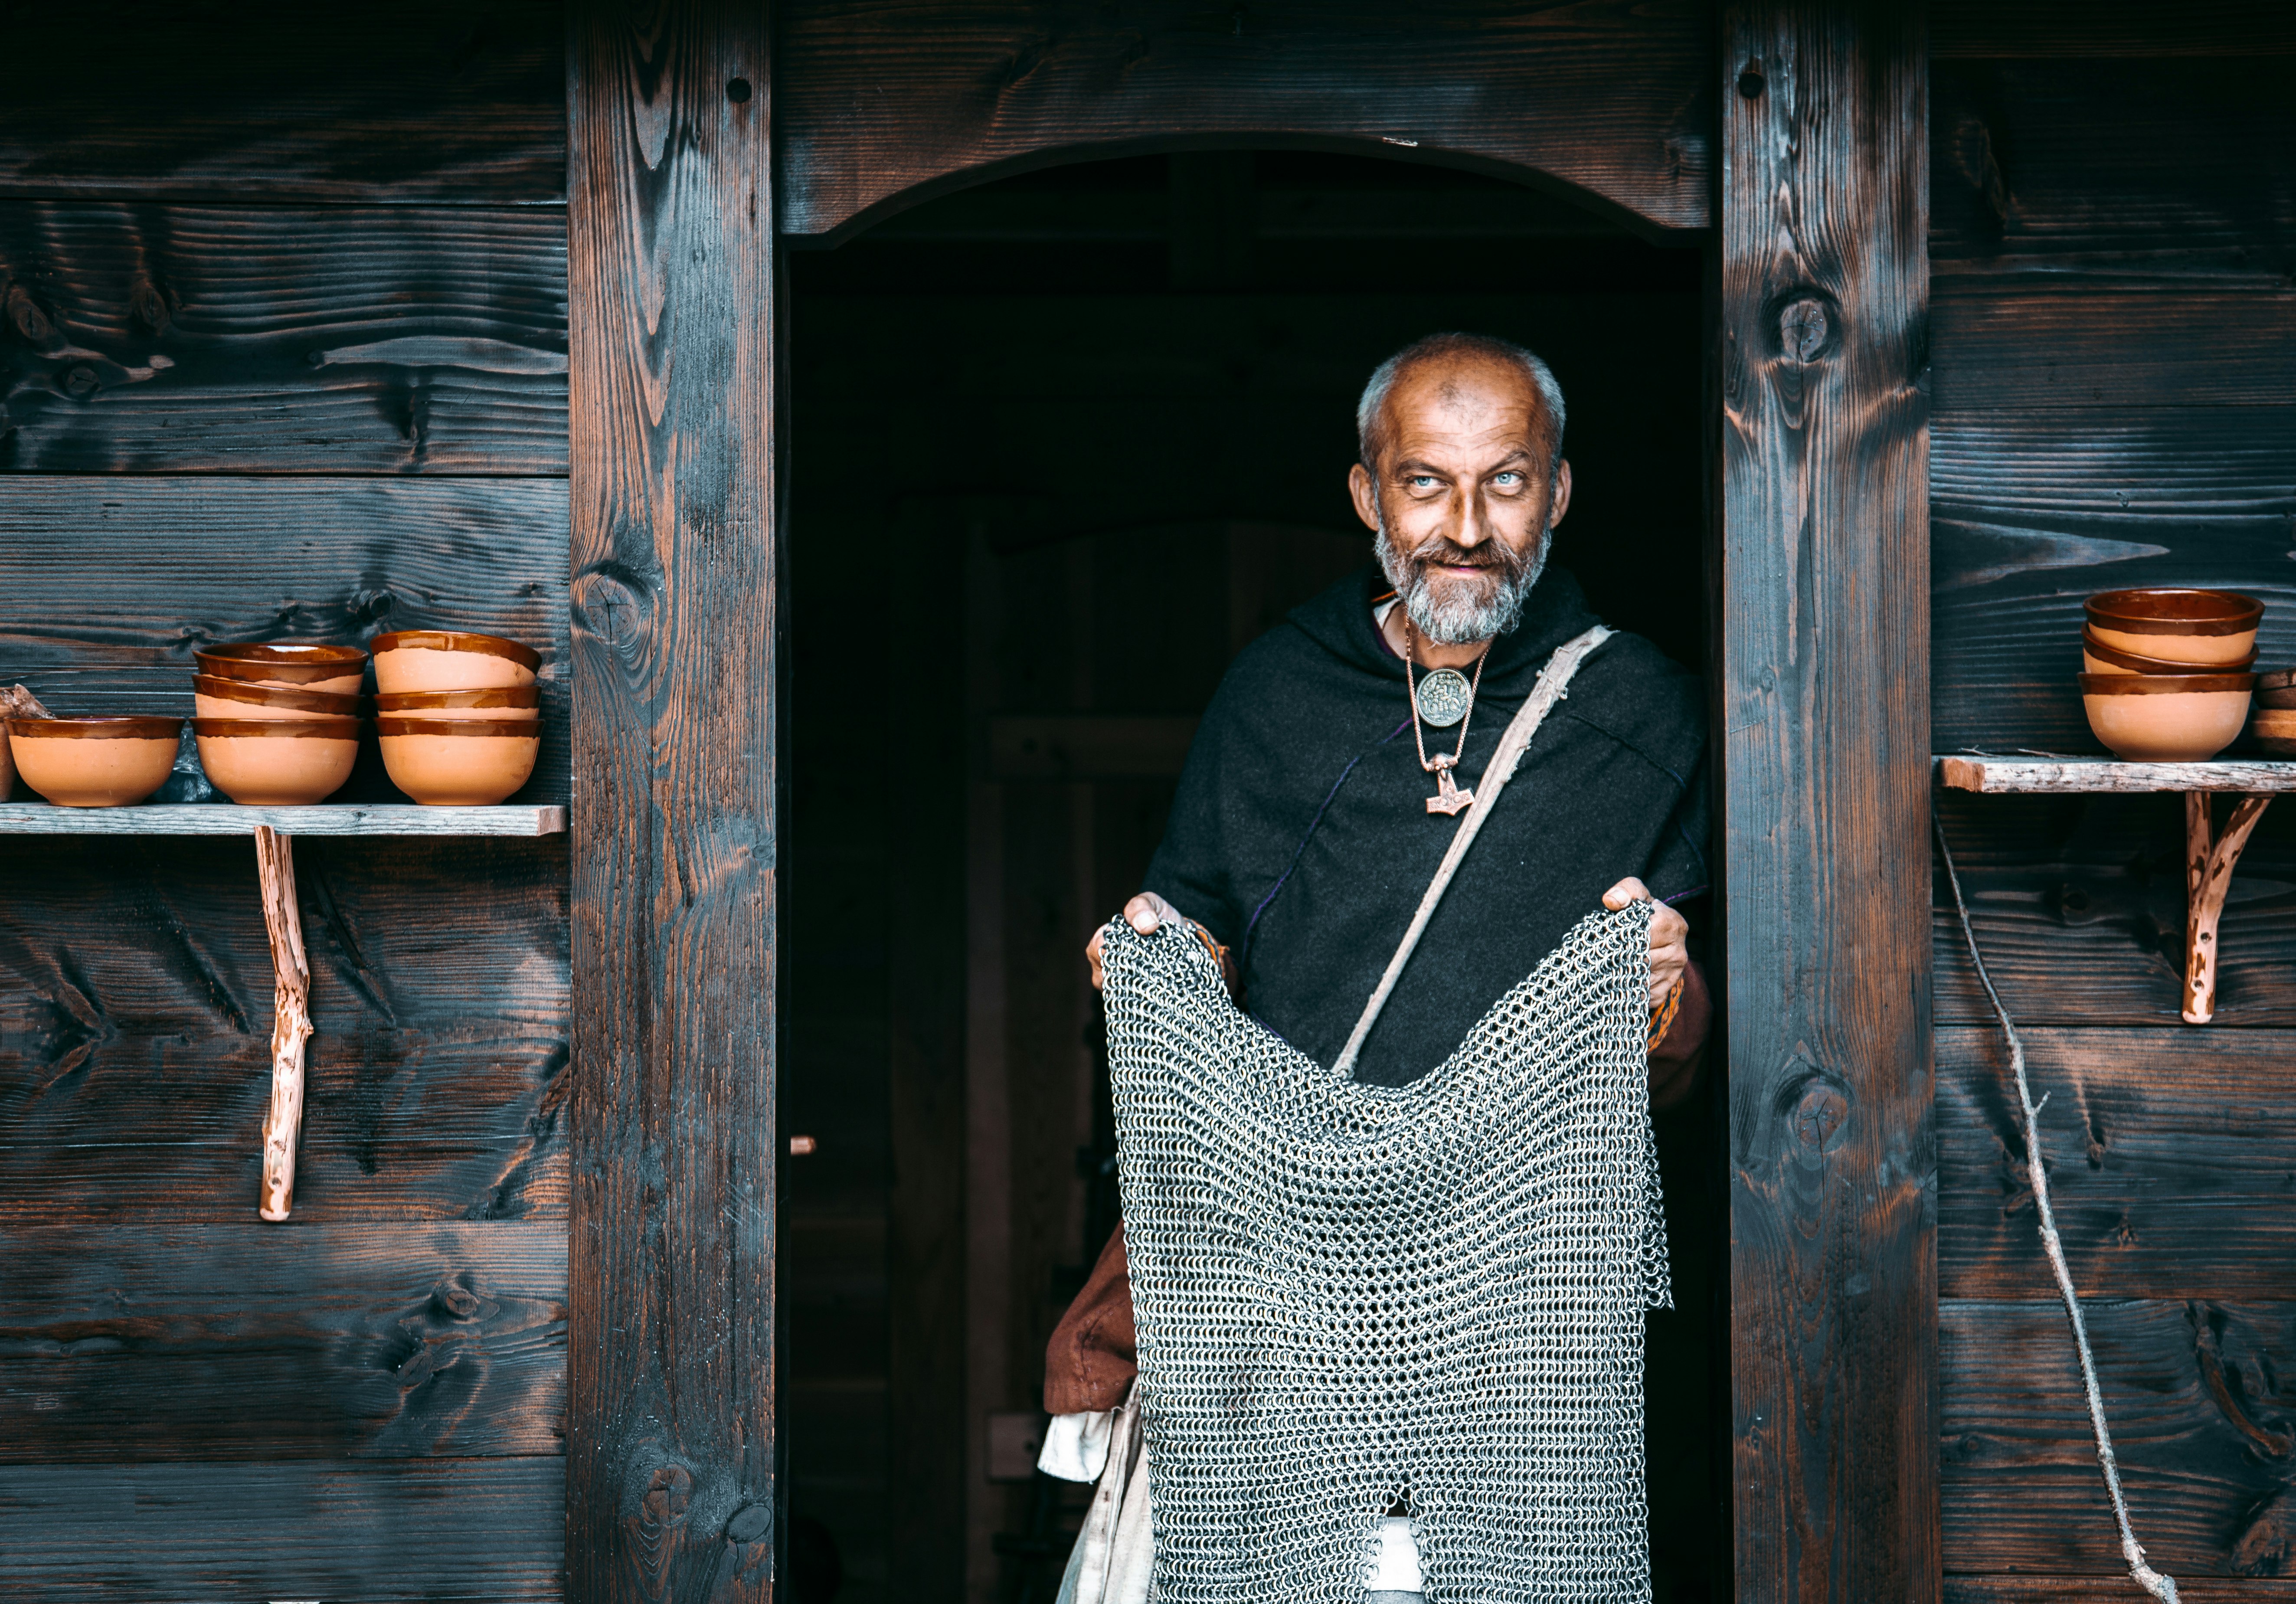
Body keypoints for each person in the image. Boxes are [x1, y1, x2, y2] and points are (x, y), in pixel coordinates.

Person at [1038, 332, 1711, 1601]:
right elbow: (1196, 935)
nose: (1466, 526)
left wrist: (1669, 991)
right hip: (1276, 1312)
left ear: (1558, 493)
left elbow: (1686, 1063)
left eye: (1506, 481)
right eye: (1425, 482)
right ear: (1367, 494)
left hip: (1522, 1333)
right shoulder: (1277, 693)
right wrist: (1150, 960)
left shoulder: (1644, 713)